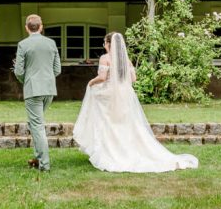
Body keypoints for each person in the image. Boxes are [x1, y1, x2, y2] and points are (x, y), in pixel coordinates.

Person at [73, 32, 199, 173]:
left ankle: (109, 151)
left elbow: (102, 77)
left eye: (104, 43)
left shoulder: (105, 58)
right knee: (123, 123)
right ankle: (125, 150)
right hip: (125, 95)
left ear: (109, 44)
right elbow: (133, 79)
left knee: (108, 122)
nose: (104, 46)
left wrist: (91, 82)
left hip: (109, 95)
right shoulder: (126, 60)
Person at [14, 14, 61, 172]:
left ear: (27, 28)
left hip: (33, 89)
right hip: (49, 89)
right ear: (41, 27)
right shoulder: (51, 43)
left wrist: (27, 81)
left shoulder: (23, 44)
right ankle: (37, 158)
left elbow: (19, 71)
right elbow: (57, 69)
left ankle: (44, 164)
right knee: (36, 125)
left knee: (37, 126)